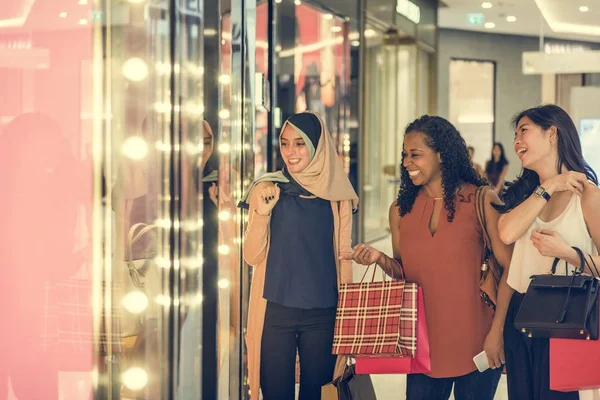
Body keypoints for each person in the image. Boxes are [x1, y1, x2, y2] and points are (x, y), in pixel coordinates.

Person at [343, 115, 513, 400]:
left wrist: (498, 333)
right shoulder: (400, 211)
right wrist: (380, 259)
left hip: (478, 339)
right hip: (422, 344)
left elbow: (510, 269)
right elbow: (404, 275)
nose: (407, 162)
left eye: (415, 155)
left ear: (442, 155)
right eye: (404, 155)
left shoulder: (482, 200)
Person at [240, 111, 359, 400]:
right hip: (276, 311)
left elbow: (343, 257)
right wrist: (262, 214)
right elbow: (251, 256)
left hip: (323, 311)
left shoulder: (338, 195)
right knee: (275, 393)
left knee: (316, 394)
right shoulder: (268, 188)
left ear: (318, 146)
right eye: (284, 143)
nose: (290, 152)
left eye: (300, 143)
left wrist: (349, 317)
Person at [496, 104, 600, 400]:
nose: (516, 142)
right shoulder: (530, 194)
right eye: (514, 135)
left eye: (523, 131)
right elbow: (507, 233)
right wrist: (550, 186)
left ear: (552, 133)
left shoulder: (588, 195)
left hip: (566, 312)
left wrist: (569, 253)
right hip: (521, 314)